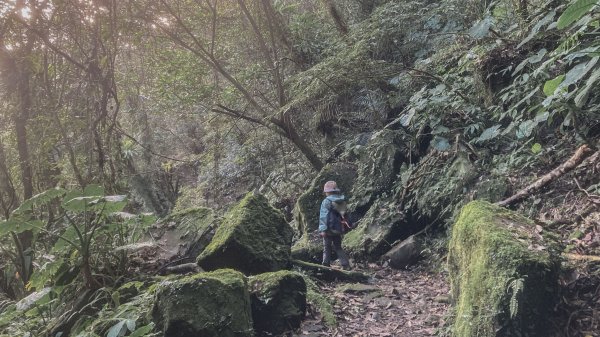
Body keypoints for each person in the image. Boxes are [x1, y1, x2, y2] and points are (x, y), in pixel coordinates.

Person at [318, 181, 352, 270]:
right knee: (338, 247)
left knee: (327, 247)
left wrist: (323, 230)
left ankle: (325, 265)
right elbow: (345, 214)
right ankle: (346, 265)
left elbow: (324, 216)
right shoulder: (342, 200)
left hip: (329, 229)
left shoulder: (326, 202)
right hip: (339, 228)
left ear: (327, 192)